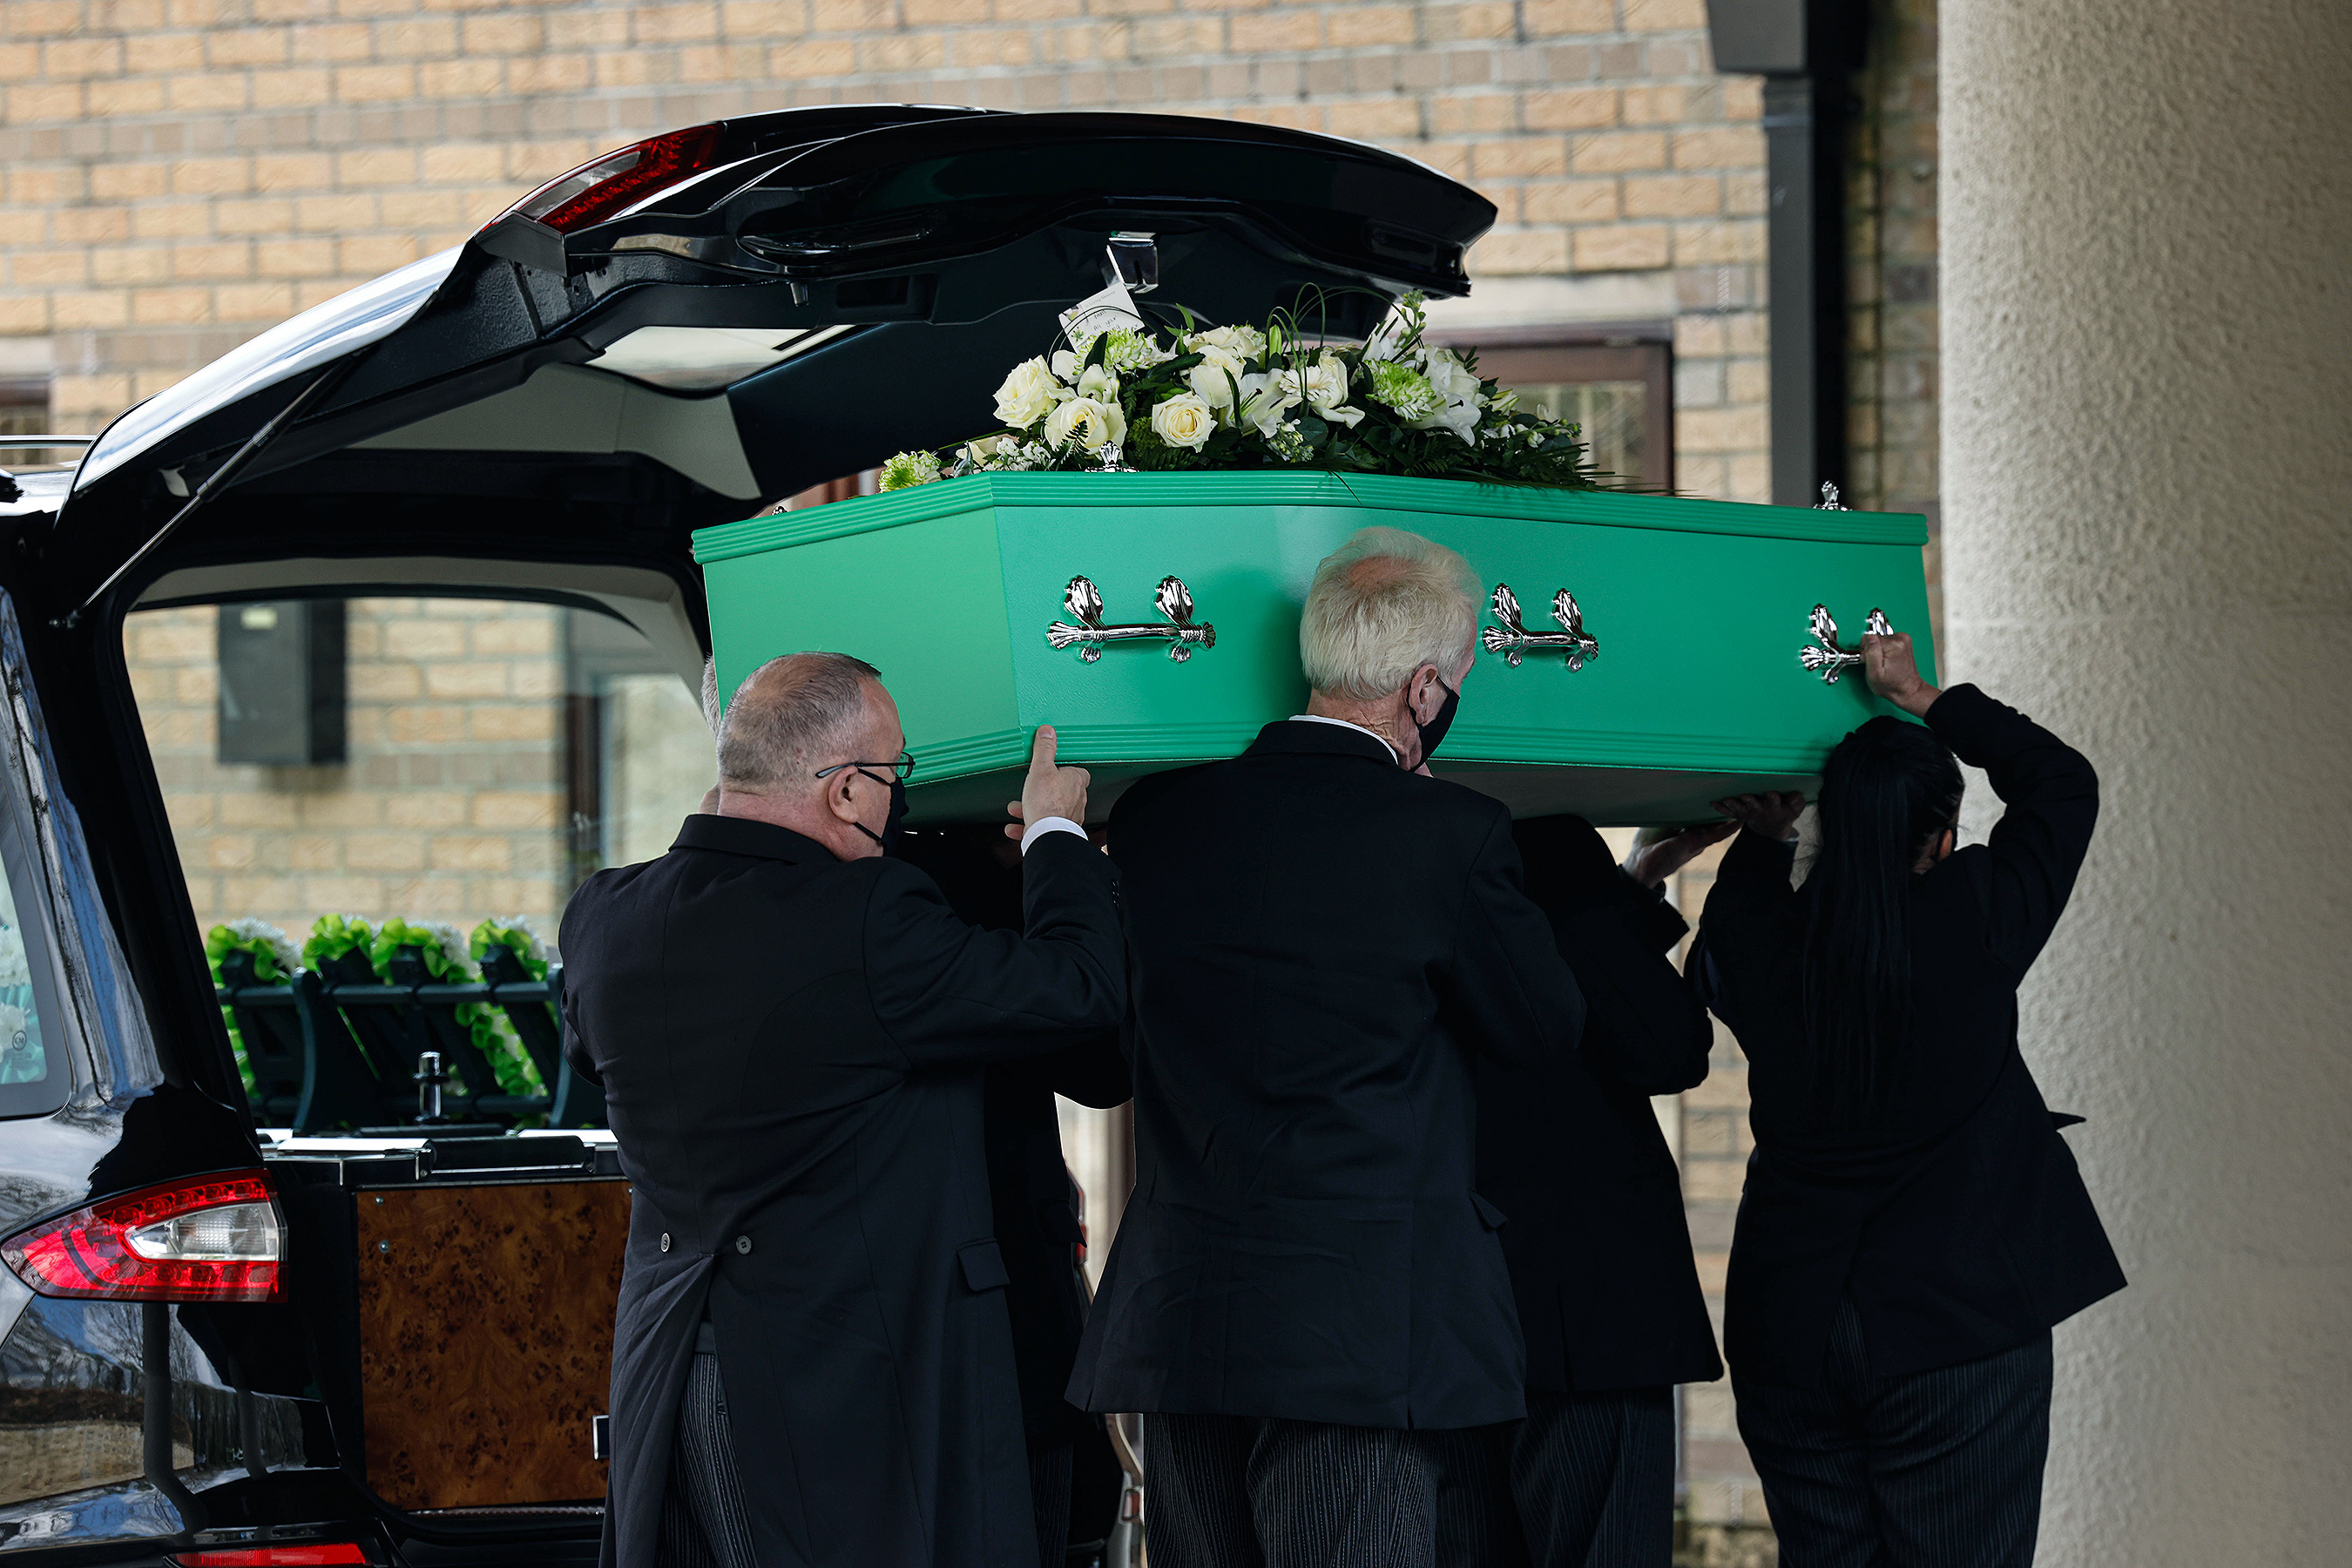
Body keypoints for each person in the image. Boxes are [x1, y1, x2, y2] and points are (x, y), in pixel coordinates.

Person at [1065, 526, 1590, 1568]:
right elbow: (1545, 1033)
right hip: (1355, 1337)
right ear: (1427, 687)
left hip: (1183, 1320)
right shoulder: (1453, 836)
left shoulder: (1162, 817)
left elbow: (1107, 1038)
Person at [559, 652, 1125, 1568]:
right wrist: (1056, 837)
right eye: (896, 775)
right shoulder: (867, 917)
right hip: (839, 1387)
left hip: (679, 1376)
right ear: (847, 789)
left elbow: (594, 1055)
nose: (902, 803)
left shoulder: (604, 918)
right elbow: (1080, 991)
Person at [1691, 633, 2124, 1567]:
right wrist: (1925, 696)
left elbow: (1722, 954)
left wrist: (1760, 846)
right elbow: (2062, 784)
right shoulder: (1973, 916)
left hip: (1790, 1329)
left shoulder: (1768, 943)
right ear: (1941, 835)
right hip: (1954, 1324)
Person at [1470, 814, 1730, 1566]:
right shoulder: (1552, 865)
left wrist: (1634, 882)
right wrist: (1606, 894)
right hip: (1588, 1319)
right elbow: (1667, 1049)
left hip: (1453, 1319)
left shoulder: (1404, 859)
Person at [896, 825, 1132, 1567]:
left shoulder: (866, 882)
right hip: (1003, 1298)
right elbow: (1103, 1059)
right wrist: (1055, 861)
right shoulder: (935, 890)